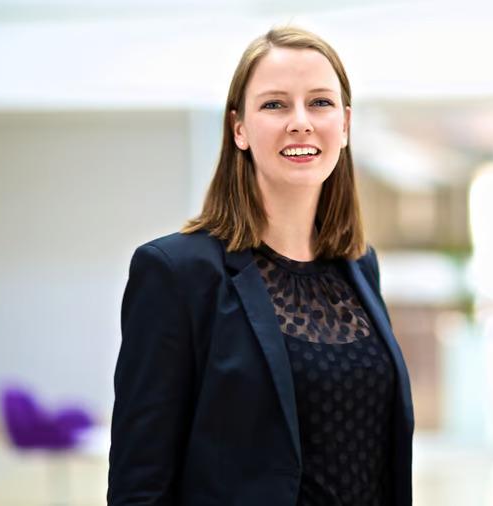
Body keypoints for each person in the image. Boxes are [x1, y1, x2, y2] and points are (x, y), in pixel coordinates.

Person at [107, 26, 414, 506]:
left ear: (346, 124)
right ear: (239, 128)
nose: (300, 121)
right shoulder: (176, 273)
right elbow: (139, 482)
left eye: (320, 102)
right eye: (274, 104)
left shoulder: (359, 266)